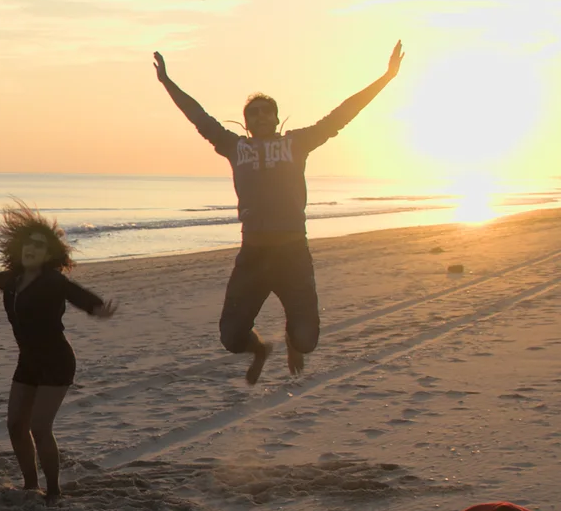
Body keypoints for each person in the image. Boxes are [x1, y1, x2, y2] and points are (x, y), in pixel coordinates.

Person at [154, 42, 405, 382]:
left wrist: (386, 77)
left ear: (275, 117)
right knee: (230, 339)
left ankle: (291, 341)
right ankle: (259, 348)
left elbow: (342, 114)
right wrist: (168, 83)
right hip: (253, 256)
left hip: (292, 254)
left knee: (307, 339)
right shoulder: (234, 146)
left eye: (266, 111)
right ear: (246, 123)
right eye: (253, 113)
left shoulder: (296, 143)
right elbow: (198, 117)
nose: (260, 117)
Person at [0, 208, 116, 498]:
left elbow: (76, 293)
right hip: (28, 361)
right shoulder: (13, 281)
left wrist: (97, 308)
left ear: (48, 254)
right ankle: (30, 484)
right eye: (28, 243)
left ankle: (54, 492)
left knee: (39, 426)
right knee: (14, 425)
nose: (32, 249)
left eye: (39, 245)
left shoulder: (52, 281)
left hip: (56, 361)